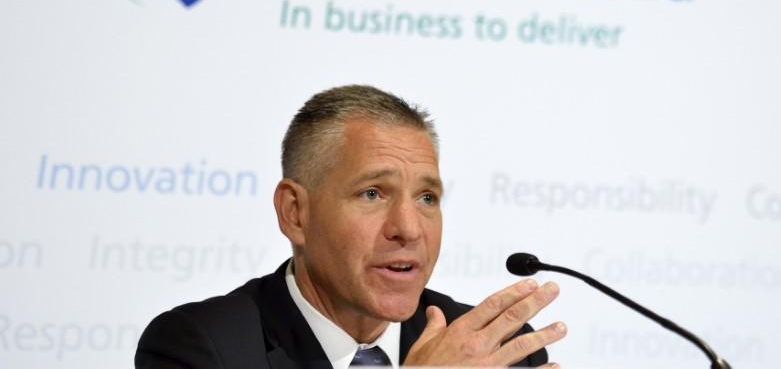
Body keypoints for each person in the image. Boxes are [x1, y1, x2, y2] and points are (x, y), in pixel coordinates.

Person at [135, 85, 566, 368]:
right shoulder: (203, 348)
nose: (408, 229)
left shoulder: (493, 351)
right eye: (373, 194)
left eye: (427, 198)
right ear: (295, 213)